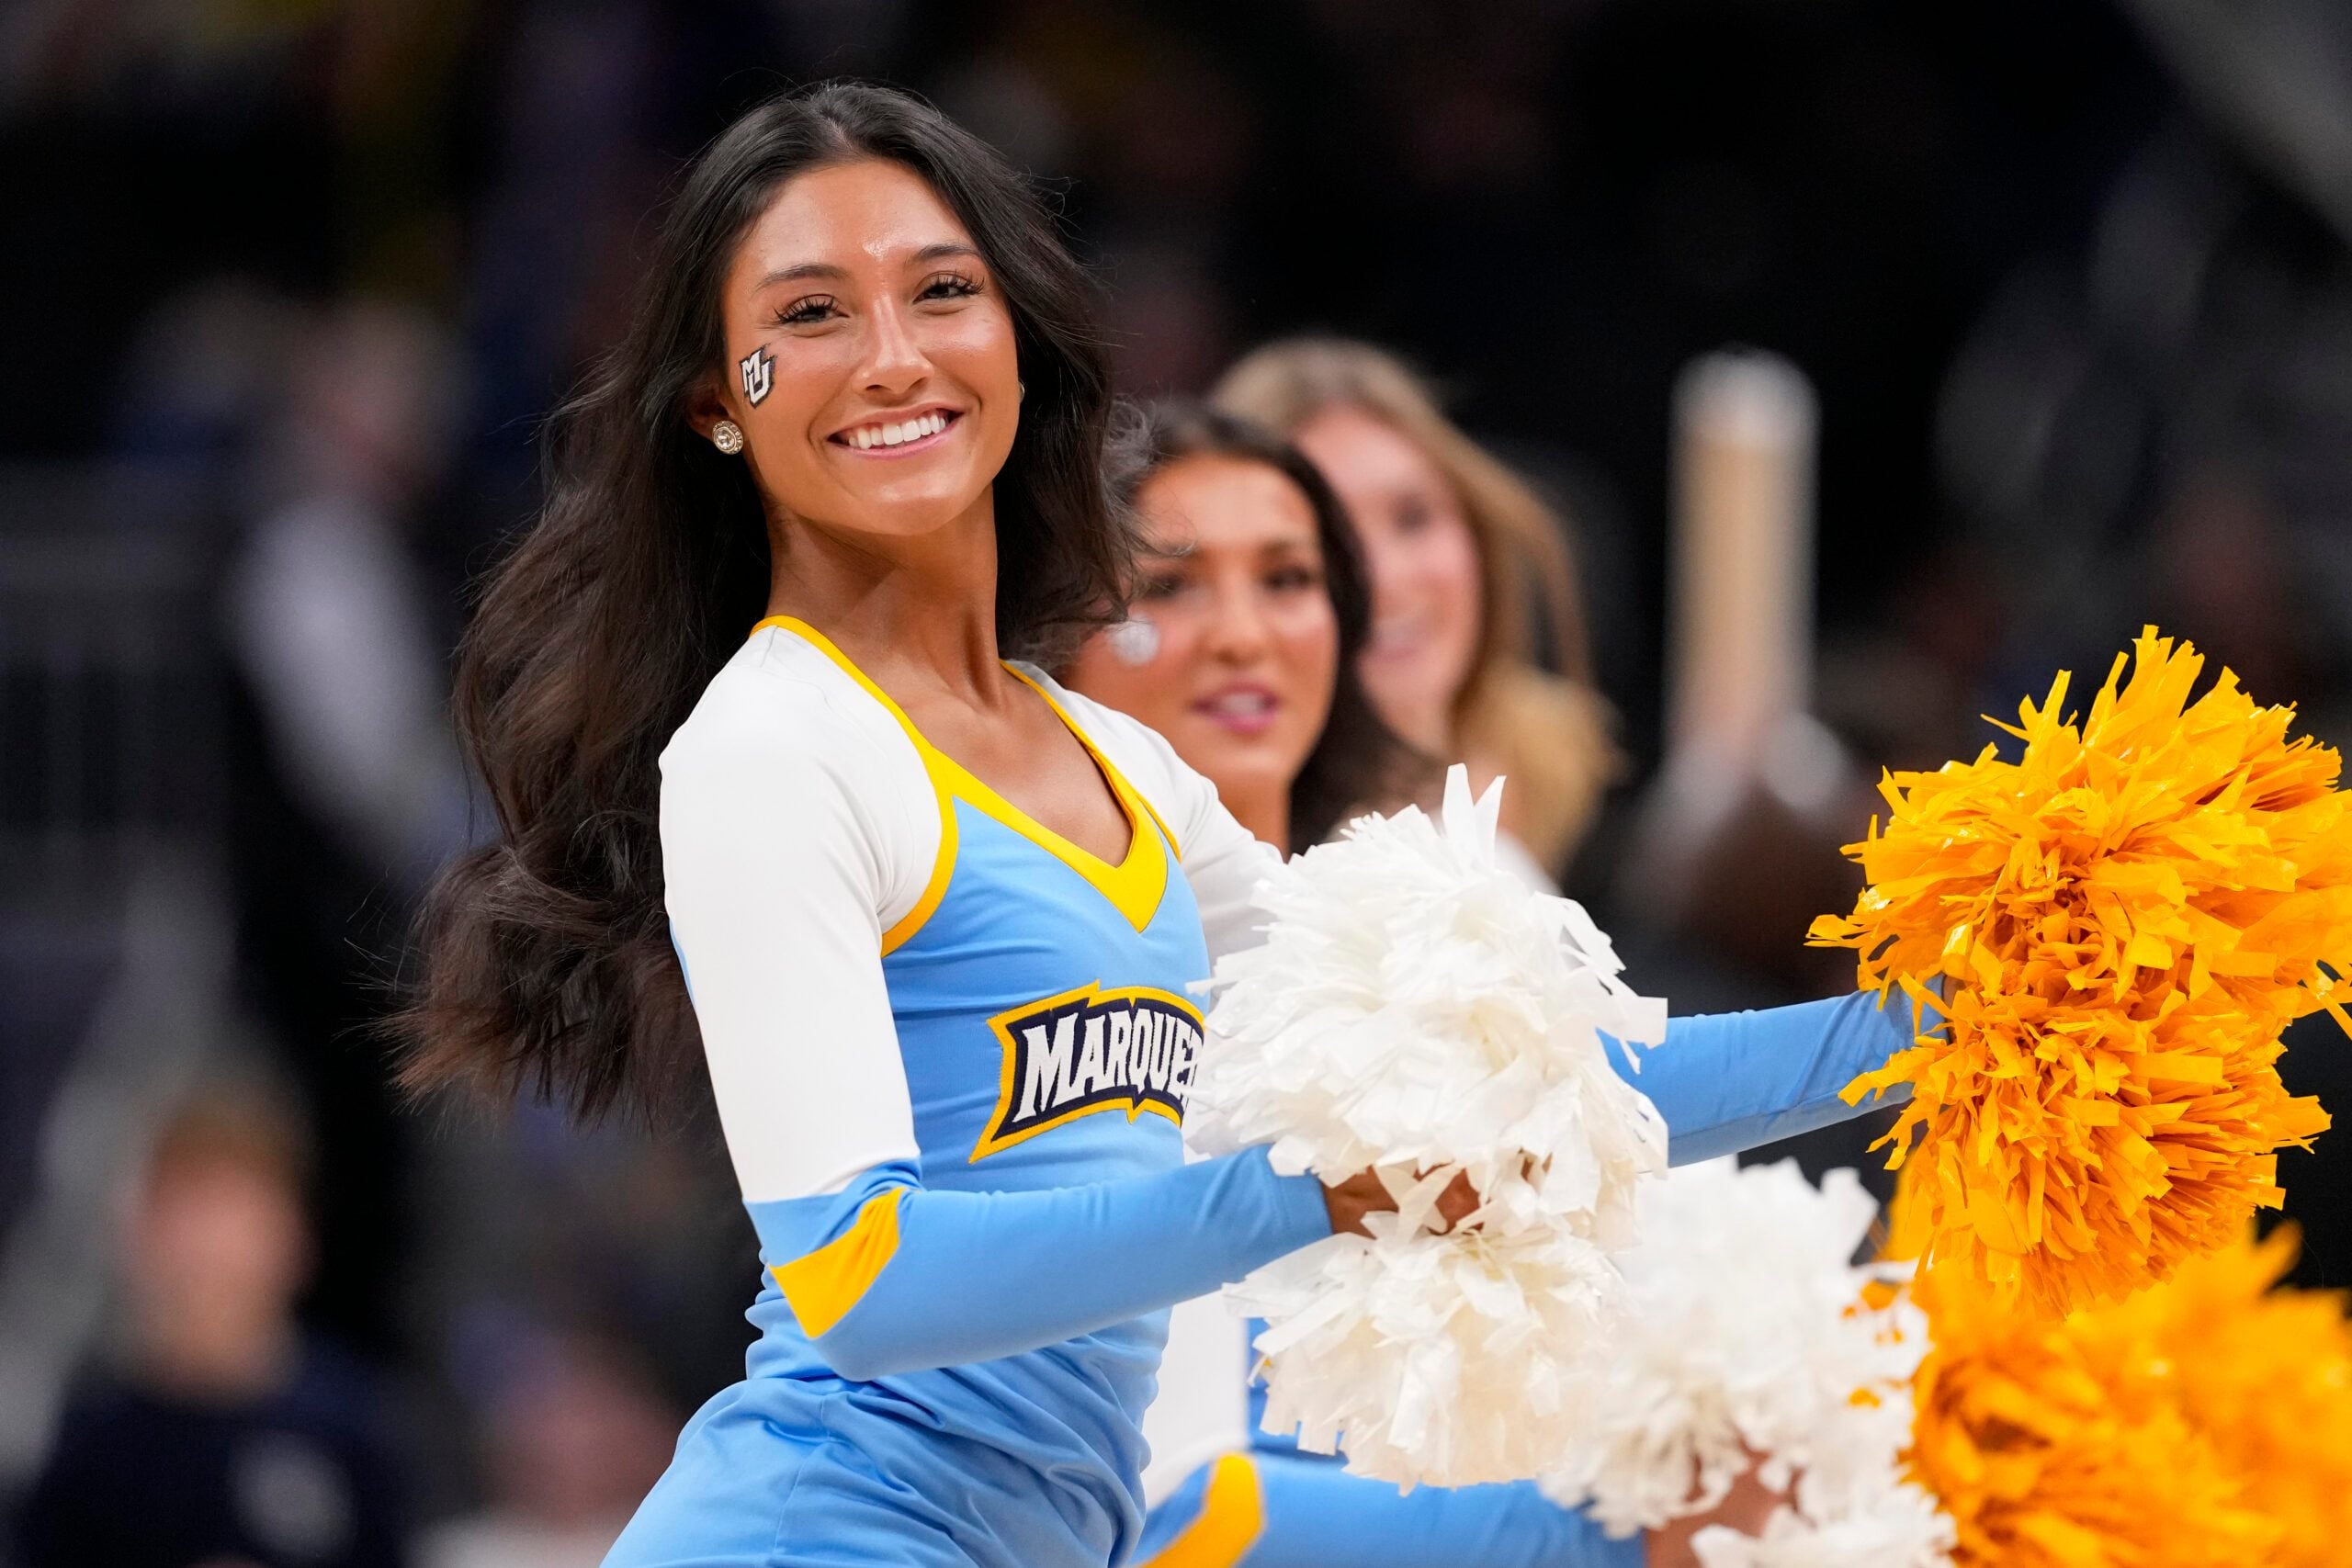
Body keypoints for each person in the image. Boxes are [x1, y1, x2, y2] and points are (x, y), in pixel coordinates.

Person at [399, 83, 1923, 1568]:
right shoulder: (771, 747)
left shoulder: (1123, 767)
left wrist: (1929, 1033)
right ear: (713, 407)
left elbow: (1516, 1091)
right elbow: (861, 1280)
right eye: (806, 314)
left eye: (940, 290)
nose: (887, 354)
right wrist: (1305, 1193)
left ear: (1017, 348)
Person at [1063, 404, 1781, 1568]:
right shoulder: (1046, 969)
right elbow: (1157, 1507)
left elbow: (1631, 1172)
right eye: (1175, 585)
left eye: (1290, 577)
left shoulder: (1431, 930)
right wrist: (1606, 1542)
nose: (1242, 632)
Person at [1212, 337, 1615, 879]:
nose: (1385, 579)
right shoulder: (1229, 864)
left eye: (1413, 517)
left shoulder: (1560, 765)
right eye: (1329, 542)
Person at [17, 1091, 410, 1568]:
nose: (206, 1253)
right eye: (186, 1215)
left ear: (293, 1241)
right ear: (138, 1240)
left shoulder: (350, 1429)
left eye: (232, 1216)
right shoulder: (93, 1439)